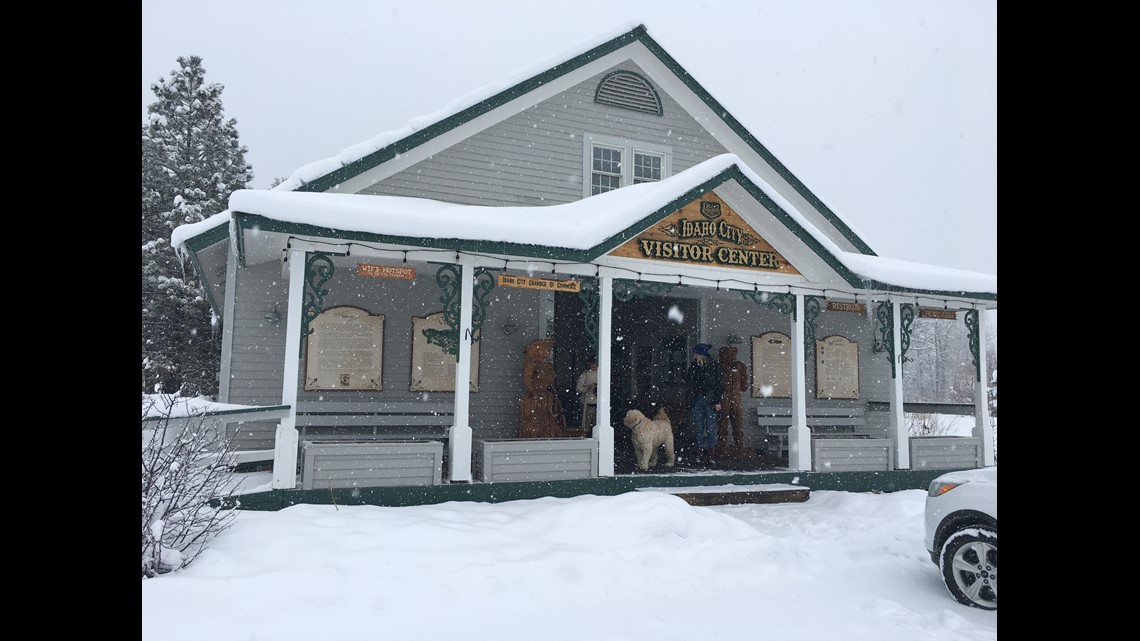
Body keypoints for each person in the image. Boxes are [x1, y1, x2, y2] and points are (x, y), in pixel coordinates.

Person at [685, 343, 723, 467]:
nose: (694, 355)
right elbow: (689, 383)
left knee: (710, 428)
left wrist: (717, 400)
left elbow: (718, 384)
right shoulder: (694, 366)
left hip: (709, 400)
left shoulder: (713, 366)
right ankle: (699, 453)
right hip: (699, 399)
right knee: (699, 428)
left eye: (695, 353)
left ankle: (710, 454)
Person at [717, 345, 749, 454]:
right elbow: (744, 387)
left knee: (732, 424)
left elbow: (744, 387)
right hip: (729, 399)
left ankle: (733, 446)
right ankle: (729, 447)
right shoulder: (721, 367)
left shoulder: (737, 367)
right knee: (726, 424)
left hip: (730, 399)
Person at [576, 358, 598, 432]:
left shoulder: (601, 374)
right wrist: (587, 388)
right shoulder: (585, 374)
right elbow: (578, 388)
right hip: (588, 403)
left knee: (597, 425)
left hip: (599, 404)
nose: (594, 365)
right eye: (592, 363)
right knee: (586, 425)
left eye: (595, 363)